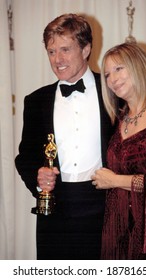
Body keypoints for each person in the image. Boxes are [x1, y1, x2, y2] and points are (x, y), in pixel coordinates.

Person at [15, 13, 113, 260]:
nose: (57, 59)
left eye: (65, 49)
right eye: (51, 51)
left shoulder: (114, 93)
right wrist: (39, 181)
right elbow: (25, 157)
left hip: (107, 206)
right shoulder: (36, 101)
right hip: (55, 209)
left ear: (86, 48)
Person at [91, 42, 146, 260]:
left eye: (119, 69)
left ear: (138, 65)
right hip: (118, 231)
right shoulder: (121, 118)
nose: (112, 79)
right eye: (107, 74)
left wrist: (115, 181)